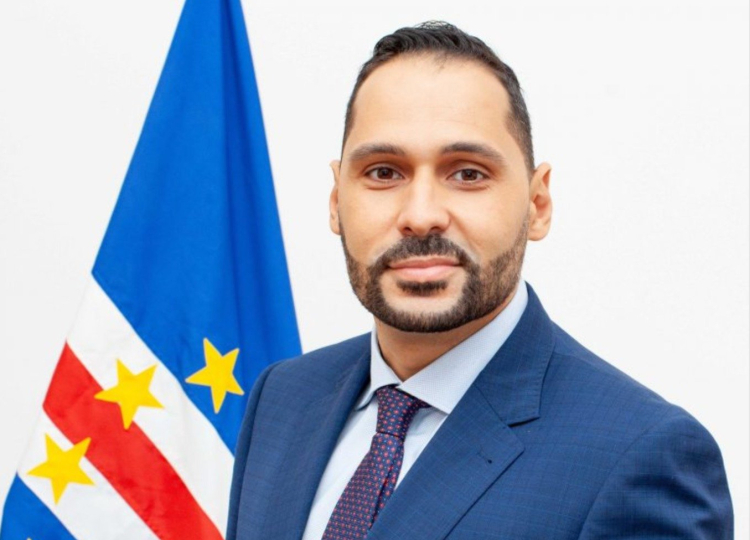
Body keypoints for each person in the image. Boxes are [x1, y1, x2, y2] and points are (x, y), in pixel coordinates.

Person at [226, 21, 733, 539]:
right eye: (383, 172)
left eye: (467, 173)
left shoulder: (641, 456)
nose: (421, 215)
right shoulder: (281, 398)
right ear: (337, 202)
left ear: (537, 204)